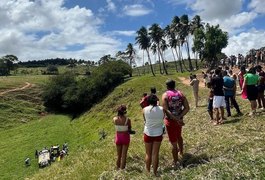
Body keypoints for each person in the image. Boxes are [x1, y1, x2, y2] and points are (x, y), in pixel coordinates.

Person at [162, 79, 190, 166]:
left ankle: (175, 161)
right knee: (179, 136)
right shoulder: (181, 94)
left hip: (170, 121)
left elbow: (165, 109)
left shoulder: (165, 95)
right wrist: (179, 117)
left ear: (167, 86)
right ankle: (181, 152)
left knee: (173, 142)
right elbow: (187, 108)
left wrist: (174, 118)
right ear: (174, 85)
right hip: (180, 120)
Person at [143, 94, 164, 176]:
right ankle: (155, 172)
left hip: (148, 133)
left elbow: (145, 120)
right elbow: (162, 118)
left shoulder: (145, 109)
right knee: (155, 153)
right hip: (158, 133)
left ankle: (148, 172)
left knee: (148, 153)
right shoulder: (162, 109)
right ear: (156, 101)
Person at [113, 105, 132, 169]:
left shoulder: (115, 119)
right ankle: (122, 169)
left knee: (118, 155)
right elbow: (129, 128)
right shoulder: (128, 119)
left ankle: (117, 168)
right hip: (125, 137)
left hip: (118, 137)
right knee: (124, 155)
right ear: (125, 111)